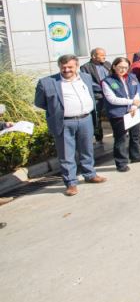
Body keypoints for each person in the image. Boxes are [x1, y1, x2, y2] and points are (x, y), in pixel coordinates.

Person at [35, 54, 107, 196]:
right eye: (63, 67)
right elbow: (40, 103)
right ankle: (71, 183)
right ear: (59, 67)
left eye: (70, 67)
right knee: (67, 154)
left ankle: (90, 174)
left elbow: (93, 93)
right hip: (64, 122)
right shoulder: (47, 82)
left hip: (86, 119)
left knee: (87, 149)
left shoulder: (85, 78)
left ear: (77, 66)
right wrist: (57, 111)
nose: (67, 70)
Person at [101, 57, 140, 172]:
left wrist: (134, 106)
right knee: (120, 139)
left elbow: (138, 92)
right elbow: (112, 99)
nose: (123, 69)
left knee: (135, 135)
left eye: (125, 67)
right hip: (118, 114)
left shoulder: (132, 77)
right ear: (114, 66)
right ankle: (121, 163)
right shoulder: (107, 81)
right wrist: (131, 102)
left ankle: (135, 155)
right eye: (120, 67)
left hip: (133, 111)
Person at [80, 48, 111, 144]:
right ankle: (98, 137)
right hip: (98, 95)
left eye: (104, 55)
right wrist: (103, 88)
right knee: (97, 116)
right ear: (94, 56)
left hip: (110, 93)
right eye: (101, 55)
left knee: (113, 113)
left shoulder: (107, 64)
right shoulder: (85, 67)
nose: (104, 57)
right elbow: (88, 82)